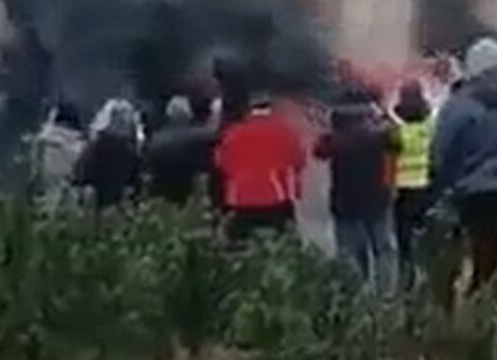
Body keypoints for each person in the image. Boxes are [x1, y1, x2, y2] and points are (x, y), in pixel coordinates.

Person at [430, 37, 497, 303]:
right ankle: (482, 310)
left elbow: (441, 149)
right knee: (488, 258)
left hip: (463, 192)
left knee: (450, 258)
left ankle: (449, 314)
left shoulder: (459, 106)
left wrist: (440, 182)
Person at [314, 87, 402, 289]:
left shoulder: (335, 140)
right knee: (384, 250)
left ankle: (355, 298)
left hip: (345, 203)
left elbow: (318, 151)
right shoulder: (381, 135)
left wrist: (325, 127)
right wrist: (386, 114)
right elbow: (398, 139)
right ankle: (386, 294)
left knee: (350, 253)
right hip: (378, 200)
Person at [213, 90, 306, 243]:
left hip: (242, 199)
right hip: (278, 197)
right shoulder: (286, 131)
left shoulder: (233, 134)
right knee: (283, 243)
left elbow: (221, 163)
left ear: (248, 110)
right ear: (271, 108)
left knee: (240, 244)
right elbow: (299, 160)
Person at [390, 80, 435, 290]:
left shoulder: (396, 132)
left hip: (403, 192)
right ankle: (426, 280)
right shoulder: (431, 127)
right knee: (426, 241)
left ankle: (407, 283)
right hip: (427, 190)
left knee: (404, 243)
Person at [145, 96, 216, 205]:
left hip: (162, 198)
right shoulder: (202, 136)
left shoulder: (156, 139)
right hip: (191, 195)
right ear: (188, 113)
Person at [76, 99, 143, 213]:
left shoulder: (95, 145)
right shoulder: (131, 150)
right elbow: (136, 184)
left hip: (94, 206)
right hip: (119, 208)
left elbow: (81, 175)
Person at [30, 100, 87, 214]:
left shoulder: (41, 141)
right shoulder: (82, 146)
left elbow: (34, 174)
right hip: (71, 203)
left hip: (44, 200)